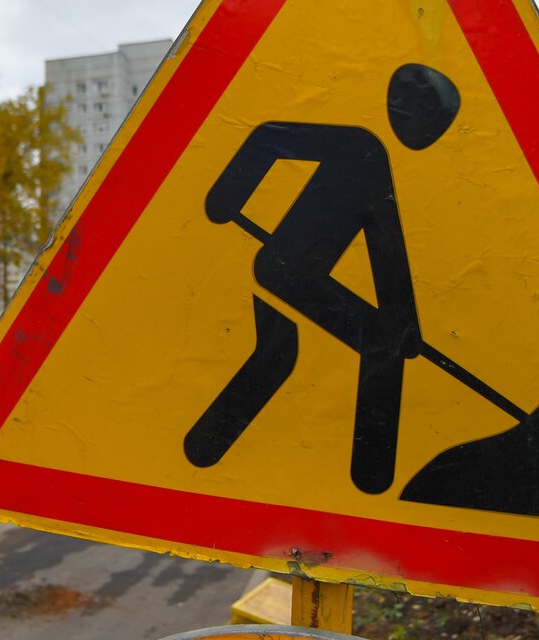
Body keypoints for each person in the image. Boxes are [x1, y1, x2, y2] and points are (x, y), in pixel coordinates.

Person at [185, 63, 460, 495]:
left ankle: (205, 450)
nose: (420, 125)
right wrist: (225, 198)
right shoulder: (360, 144)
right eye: (418, 108)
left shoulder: (376, 161)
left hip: (296, 275)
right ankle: (371, 474)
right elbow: (268, 137)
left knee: (300, 352)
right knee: (349, 346)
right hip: (281, 268)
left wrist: (405, 320)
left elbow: (385, 248)